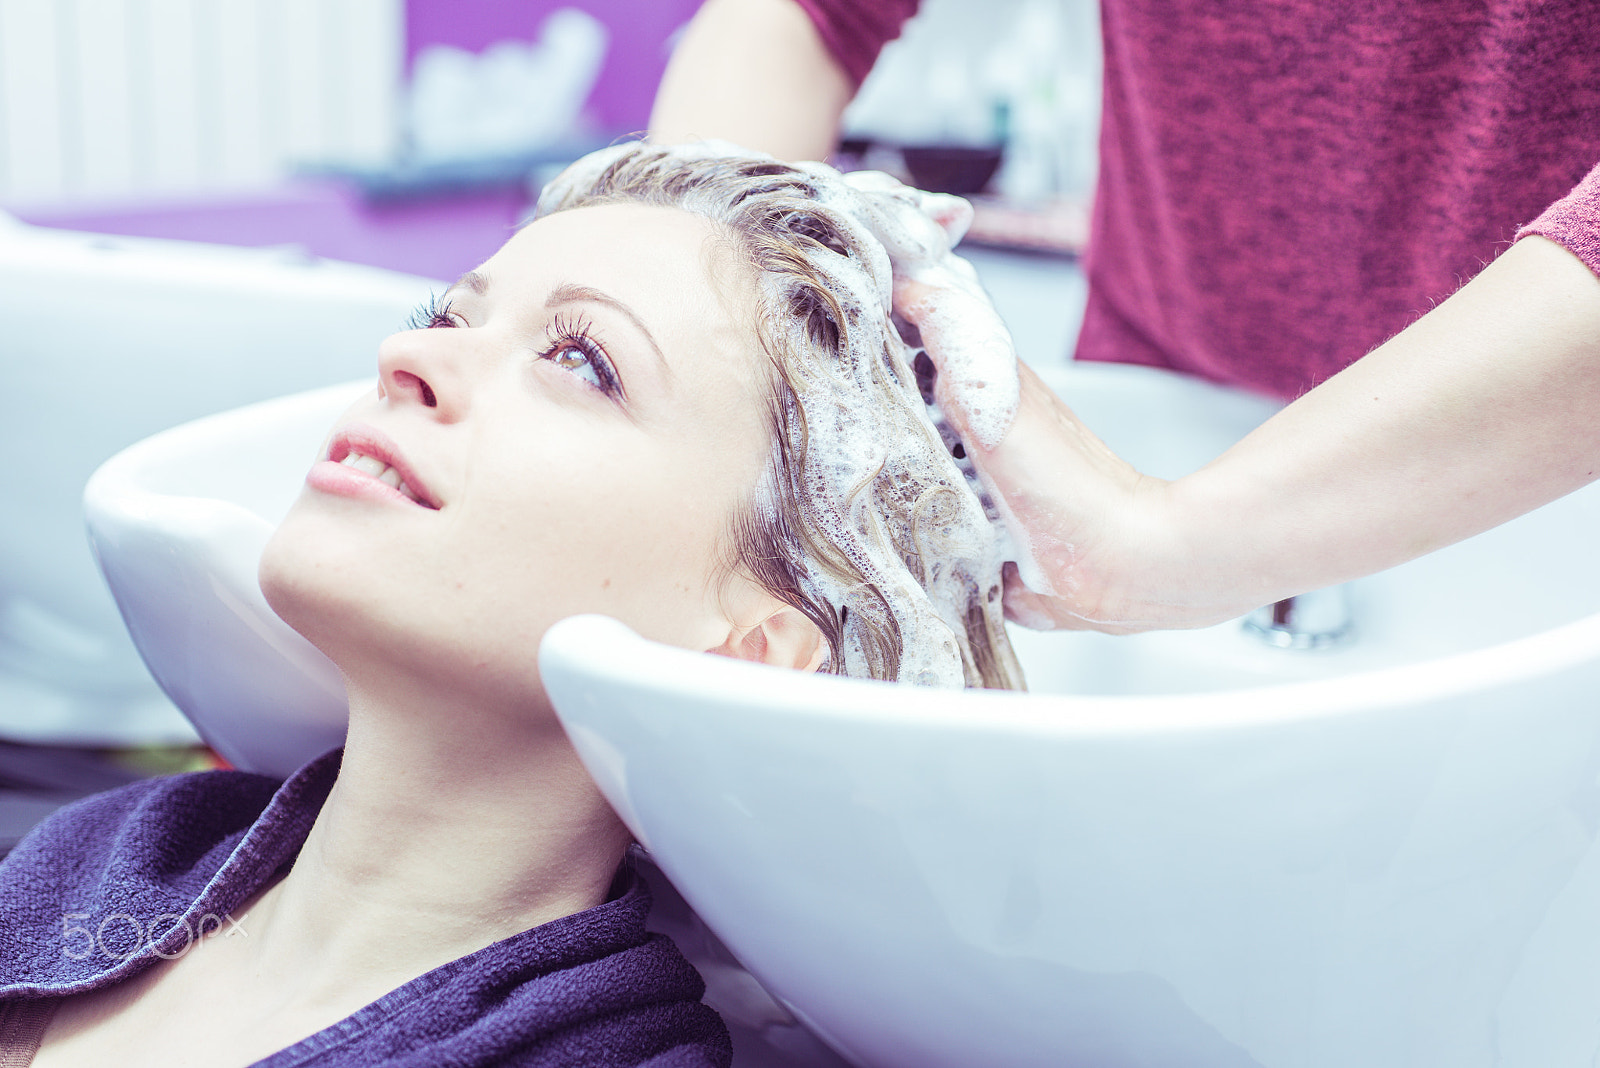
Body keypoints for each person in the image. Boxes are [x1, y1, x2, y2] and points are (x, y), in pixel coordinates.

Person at [0, 143, 1022, 1068]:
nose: (411, 360)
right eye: (446, 316)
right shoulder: (107, 858)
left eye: (581, 360)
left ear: (747, 649)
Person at [650, 0, 1600, 633]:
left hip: (1546, 491)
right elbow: (804, 15)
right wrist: (698, 368)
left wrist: (1181, 542)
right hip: (1140, 432)